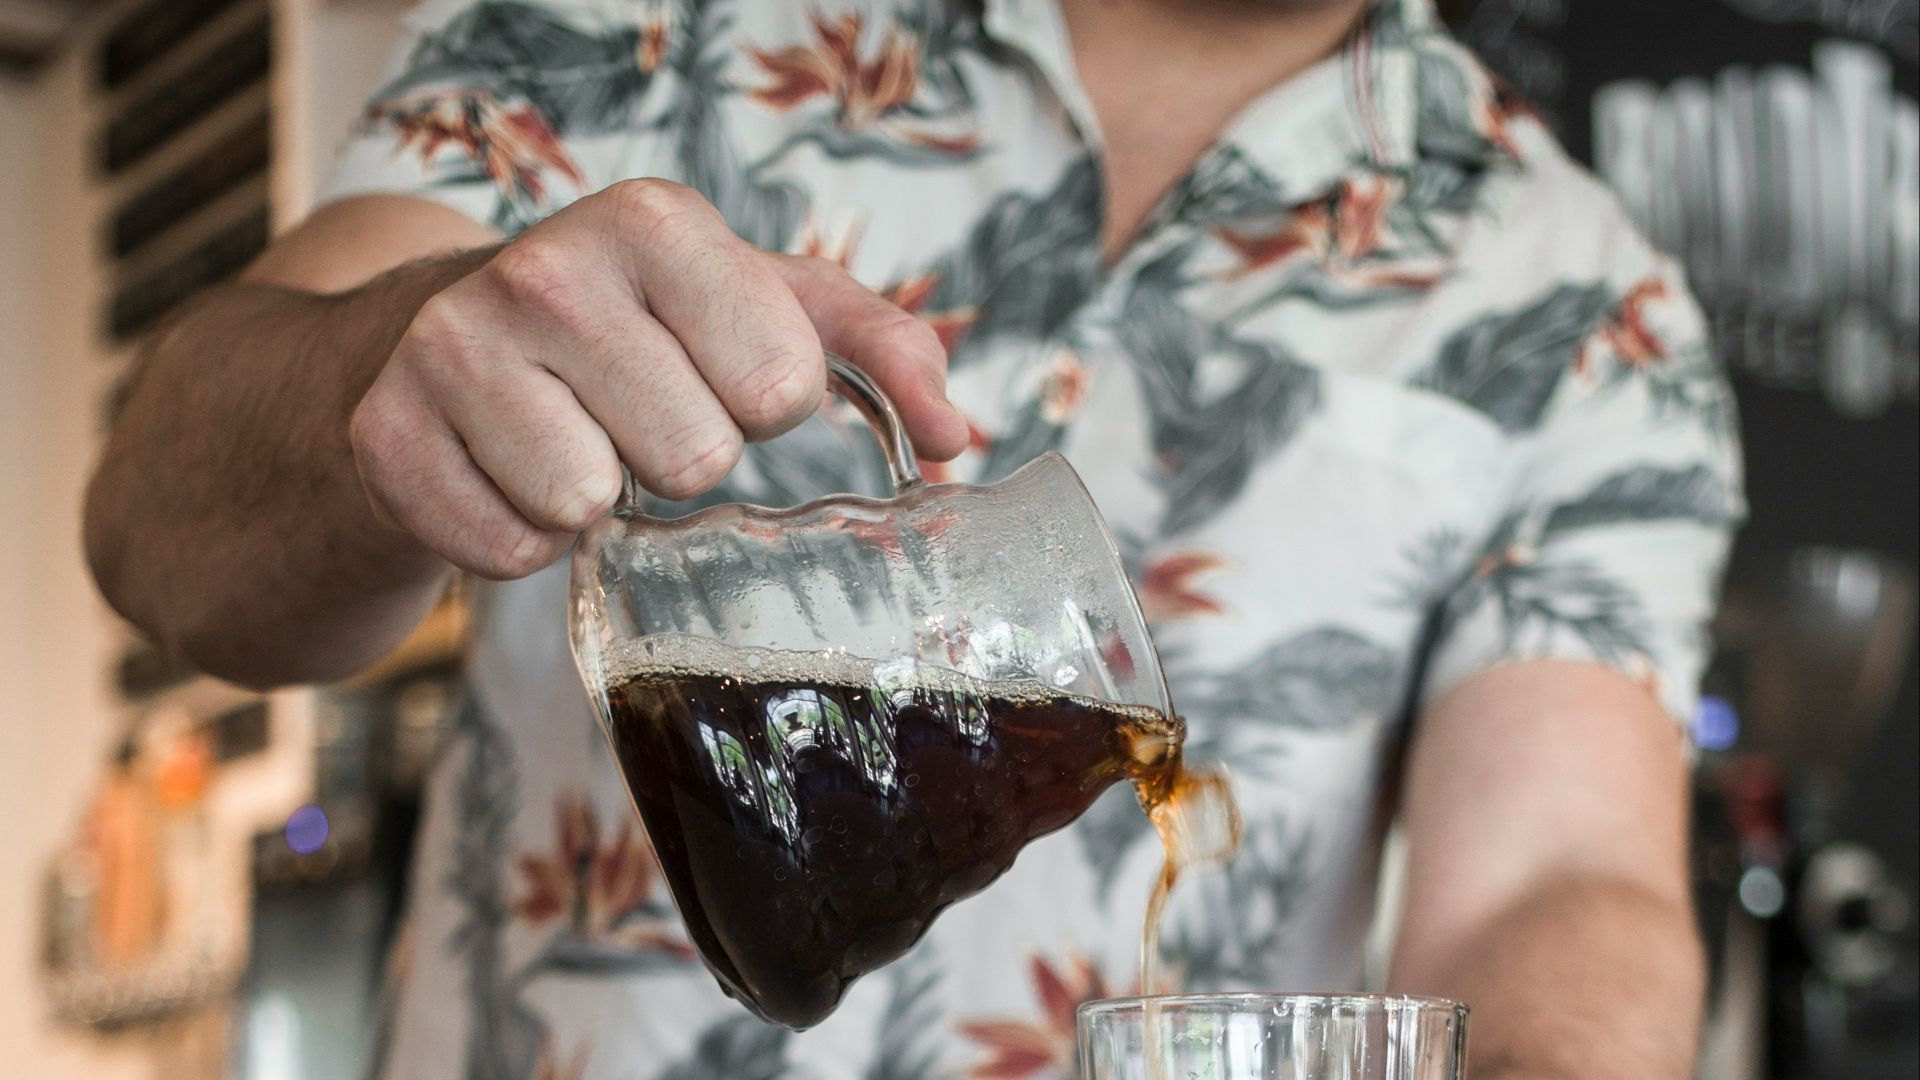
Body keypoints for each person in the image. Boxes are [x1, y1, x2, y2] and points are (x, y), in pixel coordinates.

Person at [83, 0, 1744, 1076]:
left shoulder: (1582, 298)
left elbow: (1557, 878)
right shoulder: (644, 24)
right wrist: (394, 363)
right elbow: (156, 535)